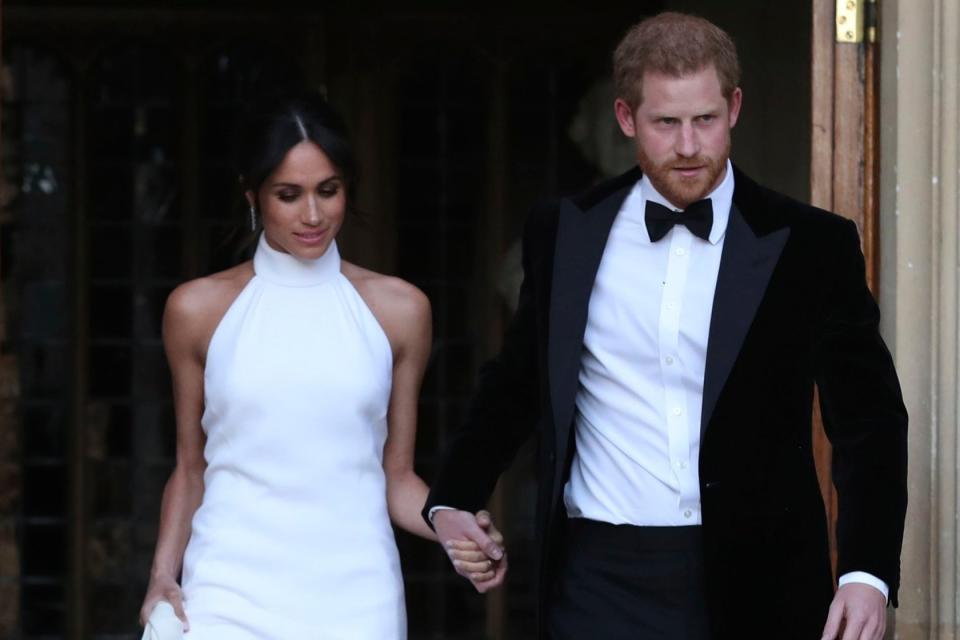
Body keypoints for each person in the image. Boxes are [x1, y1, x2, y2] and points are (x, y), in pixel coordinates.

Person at [423, 12, 907, 640]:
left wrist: (865, 572)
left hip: (760, 579)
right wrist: (452, 497)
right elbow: (516, 382)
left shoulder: (813, 245)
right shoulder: (564, 231)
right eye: (666, 122)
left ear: (734, 107)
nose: (687, 145)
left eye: (704, 120)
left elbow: (869, 419)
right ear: (626, 119)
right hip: (597, 577)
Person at [138, 91, 496, 639]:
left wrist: (450, 519)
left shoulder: (400, 311)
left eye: (328, 191)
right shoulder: (196, 310)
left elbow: (394, 477)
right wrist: (163, 575)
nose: (312, 214)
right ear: (252, 195)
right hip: (226, 591)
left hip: (357, 595)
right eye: (289, 195)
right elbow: (191, 468)